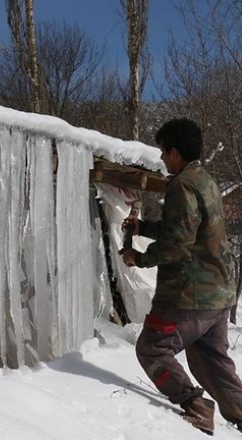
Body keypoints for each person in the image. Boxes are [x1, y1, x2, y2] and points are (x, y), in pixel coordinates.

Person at [121, 118, 242, 435]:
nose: (161, 158)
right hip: (218, 293)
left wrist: (140, 257)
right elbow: (187, 229)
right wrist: (143, 228)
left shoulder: (181, 184)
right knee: (212, 363)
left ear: (175, 152)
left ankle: (196, 406)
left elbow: (177, 243)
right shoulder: (206, 181)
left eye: (163, 151)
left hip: (187, 295)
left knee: (151, 348)